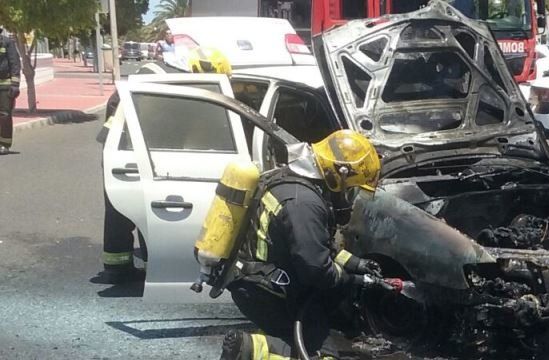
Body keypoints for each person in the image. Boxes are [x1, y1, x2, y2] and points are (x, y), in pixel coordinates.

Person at [221, 130, 403, 360]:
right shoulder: (303, 203)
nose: (347, 193)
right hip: (264, 292)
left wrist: (358, 264)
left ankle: (270, 340)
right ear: (339, 174)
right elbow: (317, 271)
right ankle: (251, 349)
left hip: (264, 281)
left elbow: (319, 245)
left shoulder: (295, 182)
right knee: (319, 355)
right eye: (350, 186)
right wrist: (360, 282)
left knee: (313, 333)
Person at [95, 48, 226, 283]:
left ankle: (125, 266)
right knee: (134, 208)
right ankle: (120, 268)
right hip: (126, 145)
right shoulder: (170, 82)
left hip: (123, 145)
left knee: (133, 208)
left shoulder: (169, 76)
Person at [0, 27, 21, 155]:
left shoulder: (7, 43)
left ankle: (5, 144)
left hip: (5, 85)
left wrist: (15, 84)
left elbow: (15, 63)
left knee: (4, 115)